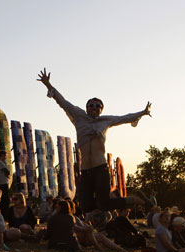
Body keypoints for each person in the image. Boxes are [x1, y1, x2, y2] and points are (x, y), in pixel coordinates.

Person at [37, 68, 153, 216]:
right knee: (85, 205)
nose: (94, 107)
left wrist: (142, 112)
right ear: (86, 108)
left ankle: (136, 199)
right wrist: (48, 85)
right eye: (91, 105)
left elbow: (125, 117)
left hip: (100, 168)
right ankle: (98, 225)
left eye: (98, 105)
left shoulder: (106, 121)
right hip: (85, 170)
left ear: (101, 109)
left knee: (104, 203)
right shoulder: (78, 116)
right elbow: (62, 102)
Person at [0, 151, 11, 217]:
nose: (5, 158)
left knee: (3, 200)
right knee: (5, 200)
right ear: (2, 155)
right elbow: (7, 171)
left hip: (0, 183)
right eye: (5, 156)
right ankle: (5, 214)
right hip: (3, 183)